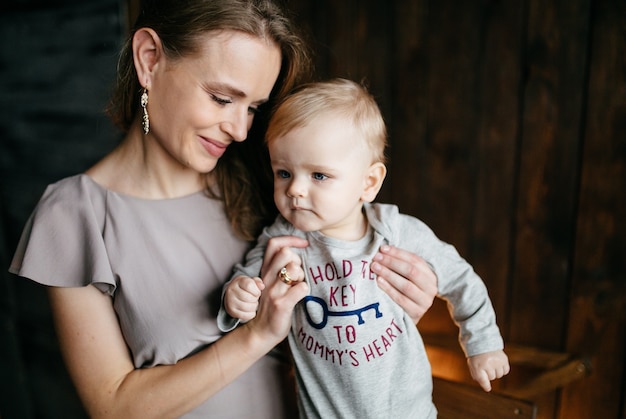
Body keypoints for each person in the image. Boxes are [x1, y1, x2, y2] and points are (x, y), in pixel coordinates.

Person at [8, 2, 438, 418]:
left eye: (253, 107)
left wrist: (391, 307)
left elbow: (332, 335)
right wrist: (255, 336)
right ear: (150, 59)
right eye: (220, 98)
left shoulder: (275, 183)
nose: (239, 128)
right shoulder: (73, 214)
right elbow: (114, 407)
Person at [219, 78, 510, 418]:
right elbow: (244, 283)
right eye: (283, 172)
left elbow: (460, 278)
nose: (295, 189)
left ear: (368, 182)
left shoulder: (395, 231)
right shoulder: (283, 241)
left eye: (319, 176)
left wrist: (483, 344)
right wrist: (237, 296)